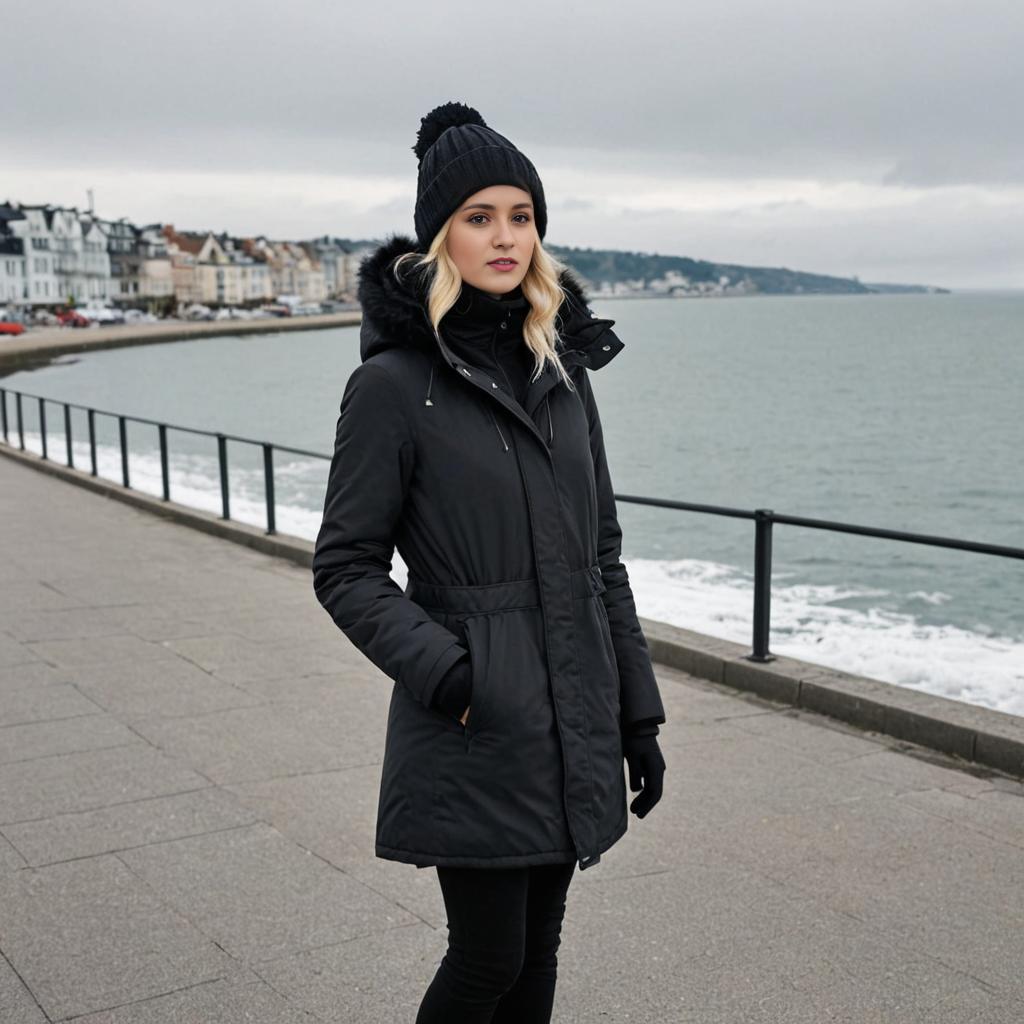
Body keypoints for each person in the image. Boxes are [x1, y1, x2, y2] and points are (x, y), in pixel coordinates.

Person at [312, 101, 667, 1024]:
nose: (505, 236)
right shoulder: (392, 385)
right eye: (479, 217)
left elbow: (603, 554)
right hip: (477, 715)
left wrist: (638, 713)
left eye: (521, 215)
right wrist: (455, 675)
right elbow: (345, 567)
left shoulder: (561, 367)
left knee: (536, 958)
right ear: (441, 237)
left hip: (573, 706)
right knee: (486, 961)